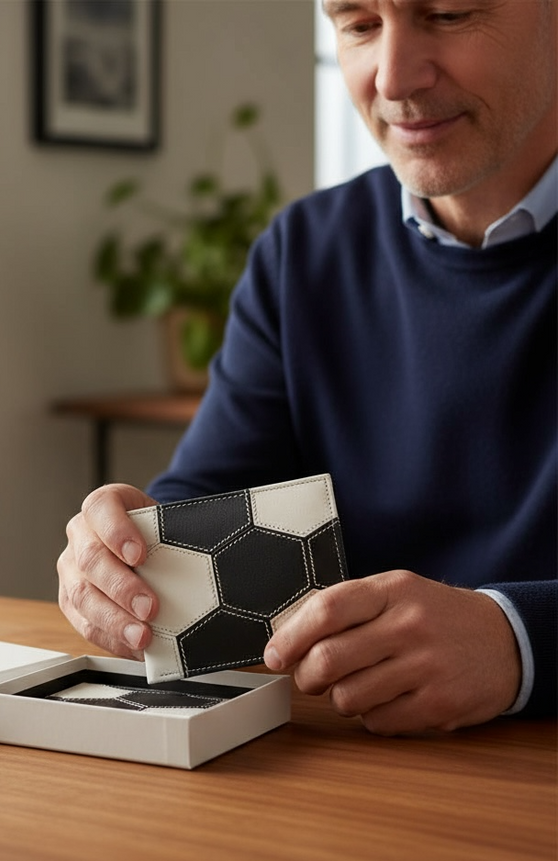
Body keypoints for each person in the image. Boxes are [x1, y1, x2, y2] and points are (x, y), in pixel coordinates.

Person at [57, 0, 557, 735]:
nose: (392, 76)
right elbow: (209, 500)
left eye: (448, 14)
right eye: (357, 24)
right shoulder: (305, 252)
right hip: (342, 771)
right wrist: (127, 555)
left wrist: (521, 640)